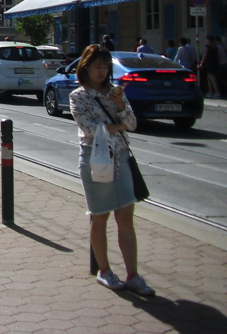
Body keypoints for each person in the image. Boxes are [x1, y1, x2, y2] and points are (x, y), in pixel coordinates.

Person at [69, 45, 153, 295]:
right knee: (100, 216)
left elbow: (133, 123)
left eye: (105, 66)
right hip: (95, 161)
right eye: (97, 66)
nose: (102, 71)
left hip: (120, 158)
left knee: (126, 217)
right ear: (85, 68)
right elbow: (90, 130)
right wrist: (118, 124)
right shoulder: (78, 96)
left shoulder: (116, 93)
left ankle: (133, 275)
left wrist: (120, 108)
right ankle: (104, 270)